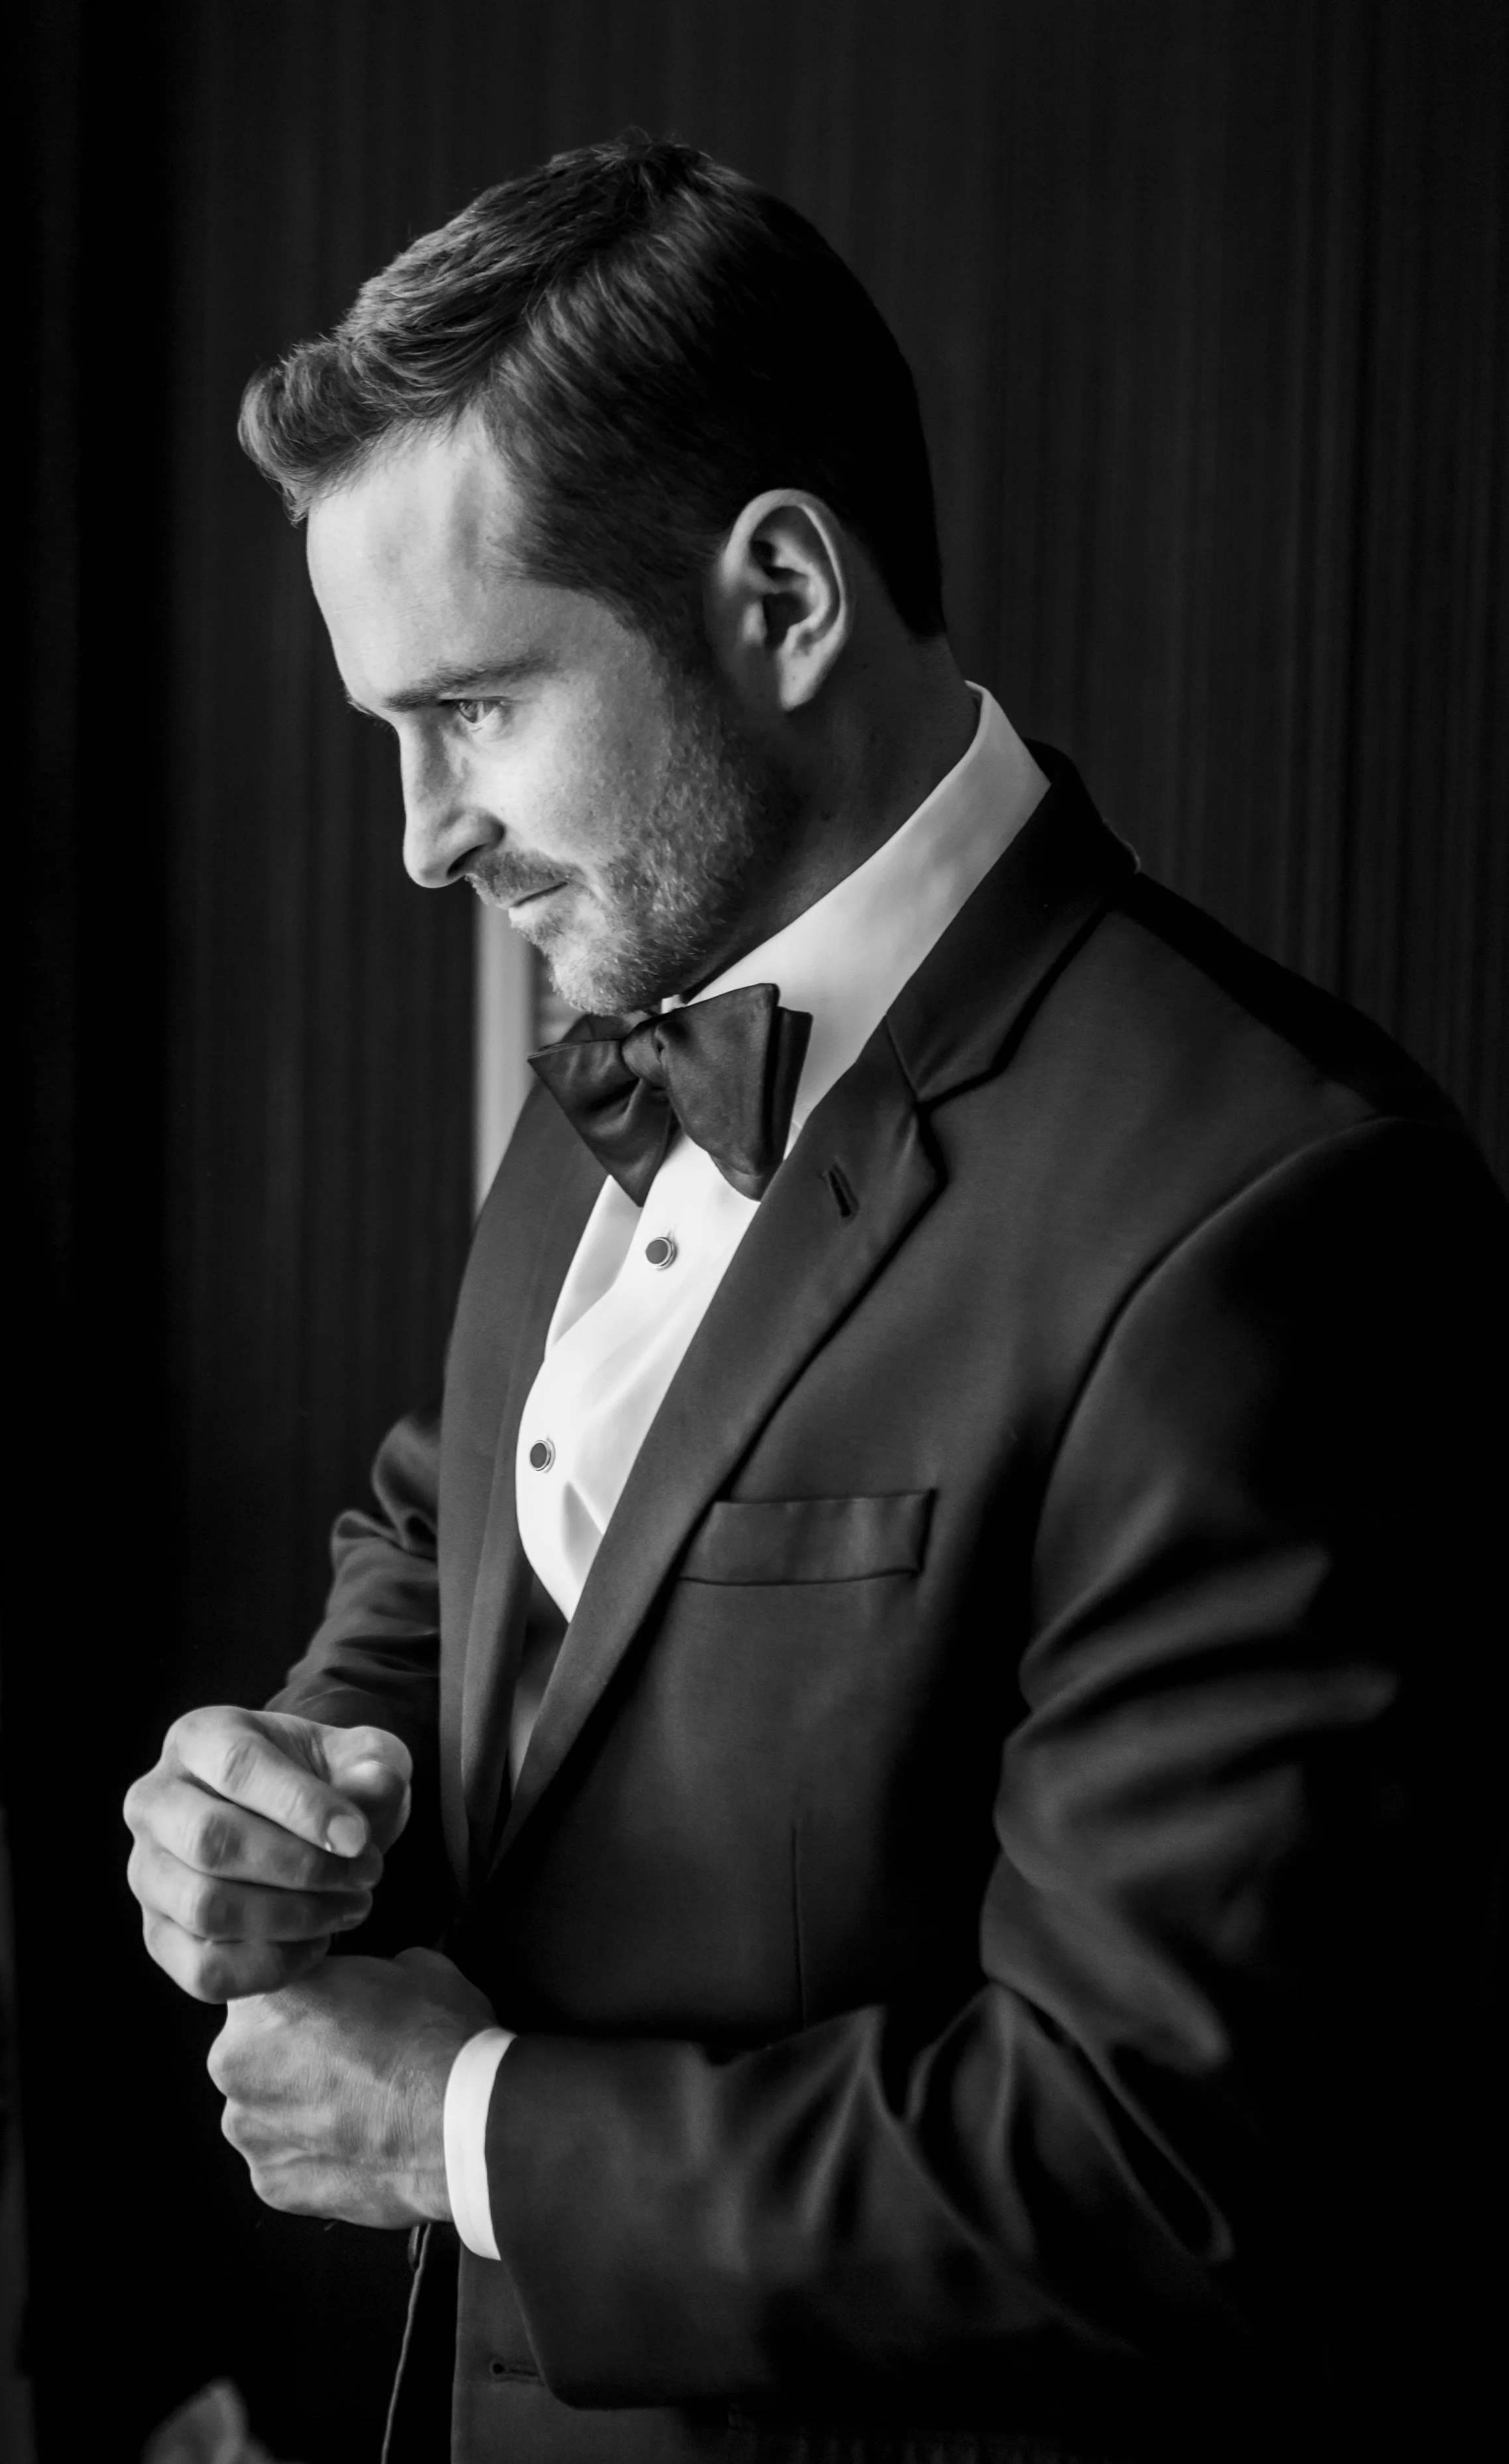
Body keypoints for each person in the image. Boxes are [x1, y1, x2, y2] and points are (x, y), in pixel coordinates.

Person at [122, 137, 1508, 2463]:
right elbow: (475, 1515)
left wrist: (458, 2128)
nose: (419, 835)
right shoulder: (639, 991)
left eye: (466, 710)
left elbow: (1153, 2173)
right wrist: (296, 1779)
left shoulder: (1276, 1212)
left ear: (779, 595)